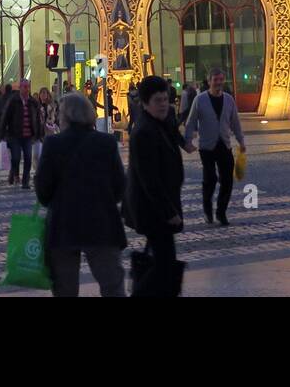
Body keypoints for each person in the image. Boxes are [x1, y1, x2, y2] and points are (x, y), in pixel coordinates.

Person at [35, 92, 127, 297]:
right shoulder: (107, 143)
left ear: (66, 116)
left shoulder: (53, 144)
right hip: (102, 225)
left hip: (64, 227)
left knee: (65, 290)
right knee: (113, 287)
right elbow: (120, 187)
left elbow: (43, 191)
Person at [124, 75, 186, 297]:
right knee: (164, 265)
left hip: (158, 208)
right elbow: (149, 180)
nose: (164, 104)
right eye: (158, 100)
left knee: (162, 262)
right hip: (153, 210)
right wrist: (169, 213)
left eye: (166, 99)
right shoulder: (143, 132)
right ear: (145, 103)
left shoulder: (160, 123)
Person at [182, 67, 246, 226]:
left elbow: (235, 122)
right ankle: (207, 209)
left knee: (227, 181)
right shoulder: (200, 99)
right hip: (207, 146)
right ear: (209, 81)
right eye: (215, 80)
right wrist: (187, 141)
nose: (218, 83)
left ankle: (221, 211)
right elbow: (191, 122)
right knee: (210, 178)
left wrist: (241, 141)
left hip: (224, 144)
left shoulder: (229, 100)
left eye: (220, 80)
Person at [0, 79, 45, 189]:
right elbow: (5, 117)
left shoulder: (33, 102)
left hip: (28, 135)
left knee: (28, 158)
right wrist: (1, 133)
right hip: (15, 135)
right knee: (16, 157)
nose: (26, 89)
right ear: (20, 88)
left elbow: (38, 119)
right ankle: (15, 173)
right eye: (24, 87)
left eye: (27, 87)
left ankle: (25, 181)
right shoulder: (13, 101)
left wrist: (38, 134)